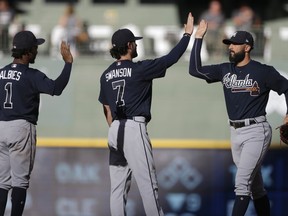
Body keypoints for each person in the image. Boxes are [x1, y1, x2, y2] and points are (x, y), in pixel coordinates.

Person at [188, 20, 288, 216]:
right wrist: (198, 38)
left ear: (248, 47)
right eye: (229, 44)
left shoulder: (263, 71)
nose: (231, 47)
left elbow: (287, 87)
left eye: (235, 43)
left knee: (241, 183)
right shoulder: (225, 69)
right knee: (255, 188)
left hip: (256, 131)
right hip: (235, 132)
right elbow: (195, 70)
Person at [98, 12, 194, 216]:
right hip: (134, 128)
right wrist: (187, 35)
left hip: (115, 130)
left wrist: (116, 129)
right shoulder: (139, 69)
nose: (137, 46)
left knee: (117, 190)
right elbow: (171, 58)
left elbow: (106, 107)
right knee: (148, 185)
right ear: (130, 45)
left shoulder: (106, 74)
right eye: (135, 43)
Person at [0, 31, 73, 216]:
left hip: (1, 127)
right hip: (21, 128)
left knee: (1, 182)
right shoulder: (31, 75)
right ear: (27, 52)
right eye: (35, 48)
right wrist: (68, 64)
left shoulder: (1, 73)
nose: (36, 51)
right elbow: (56, 88)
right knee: (20, 182)